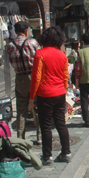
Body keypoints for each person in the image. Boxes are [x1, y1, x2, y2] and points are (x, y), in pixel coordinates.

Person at [28, 26, 71, 165]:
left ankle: (47, 156)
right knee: (61, 124)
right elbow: (65, 77)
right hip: (59, 93)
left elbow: (36, 77)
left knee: (45, 126)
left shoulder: (40, 53)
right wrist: (62, 90)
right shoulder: (62, 55)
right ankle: (66, 152)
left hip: (45, 94)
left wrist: (32, 97)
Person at [5, 21, 42, 145]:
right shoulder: (33, 43)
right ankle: (40, 135)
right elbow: (40, 58)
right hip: (33, 76)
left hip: (19, 77)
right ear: (27, 30)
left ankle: (20, 138)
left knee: (21, 109)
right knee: (37, 106)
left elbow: (11, 61)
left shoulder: (10, 46)